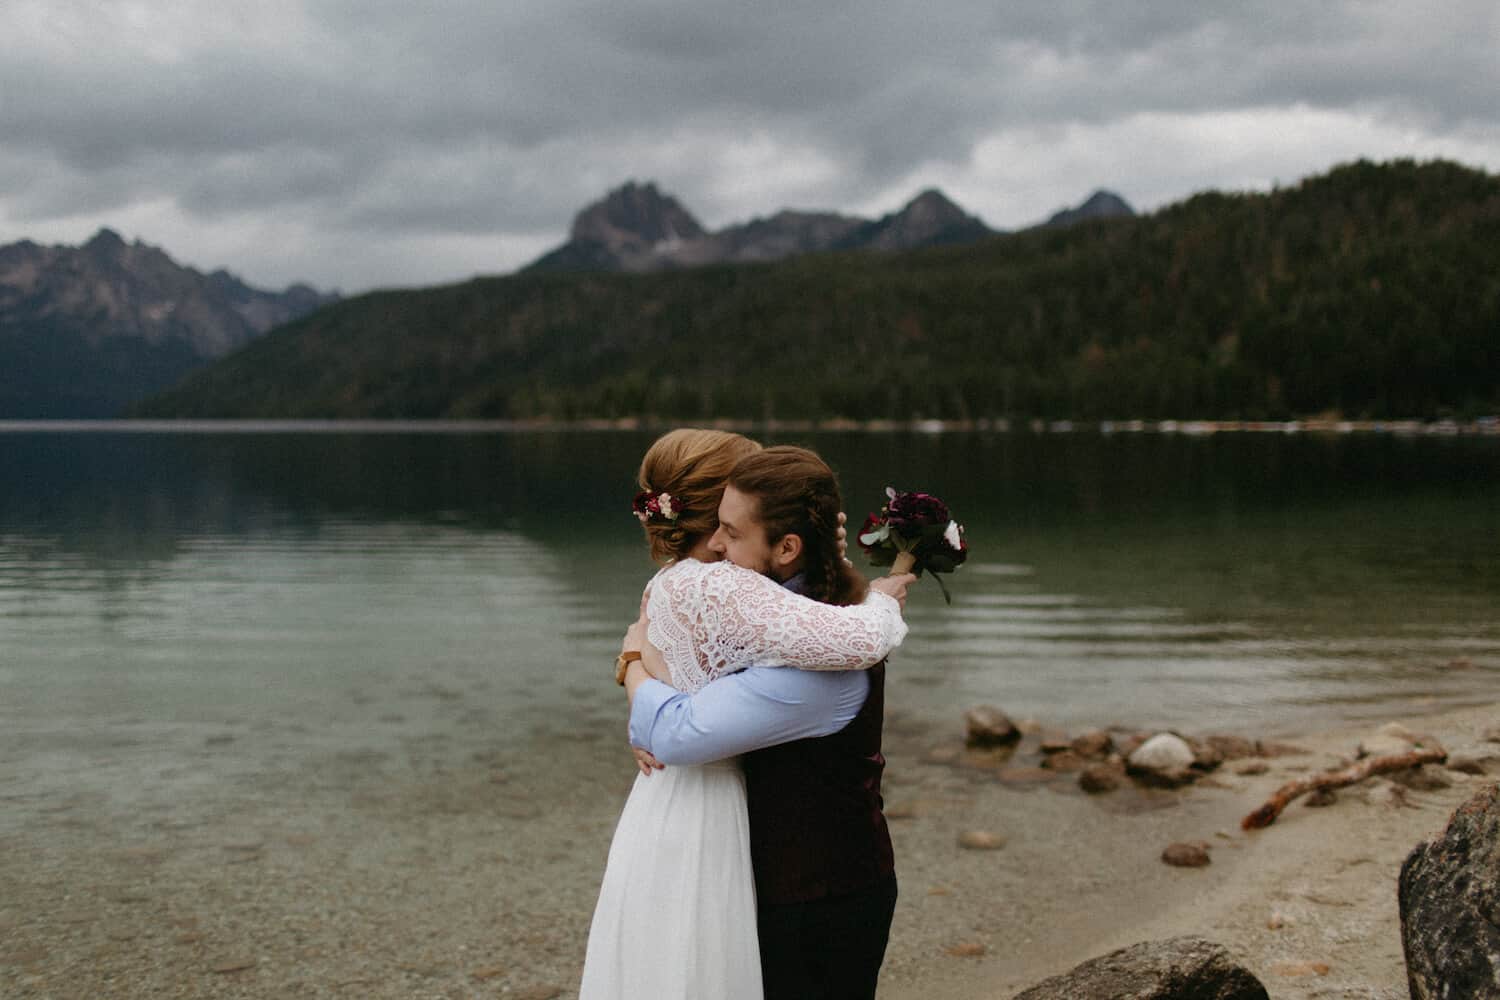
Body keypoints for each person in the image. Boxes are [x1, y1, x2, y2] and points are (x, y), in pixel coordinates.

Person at [577, 431, 913, 1000]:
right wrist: (882, 596)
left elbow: (673, 717)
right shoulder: (726, 586)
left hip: (681, 811)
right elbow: (860, 636)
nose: (727, 542)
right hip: (712, 815)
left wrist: (632, 666)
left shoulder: (672, 583)